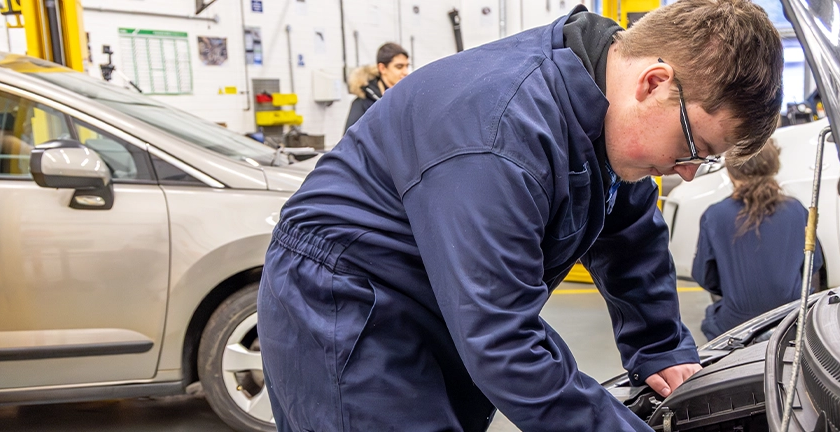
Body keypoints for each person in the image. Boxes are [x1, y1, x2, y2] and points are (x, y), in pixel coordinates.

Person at [258, 1, 784, 430]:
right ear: (653, 82)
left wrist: (660, 347)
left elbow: (630, 235)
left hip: (437, 298)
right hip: (346, 305)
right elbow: (502, 339)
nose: (689, 174)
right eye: (696, 146)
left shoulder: (601, 98)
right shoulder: (499, 136)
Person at [692, 141, 821, 340]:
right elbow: (813, 265)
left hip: (736, 326)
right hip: (791, 321)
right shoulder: (797, 210)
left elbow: (704, 276)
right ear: (773, 167)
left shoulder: (715, 215)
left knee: (712, 317)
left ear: (730, 172)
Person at [343, 42, 410, 131]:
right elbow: (350, 141)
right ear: (382, 68)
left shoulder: (408, 98)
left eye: (407, 66)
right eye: (399, 67)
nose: (405, 72)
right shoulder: (363, 103)